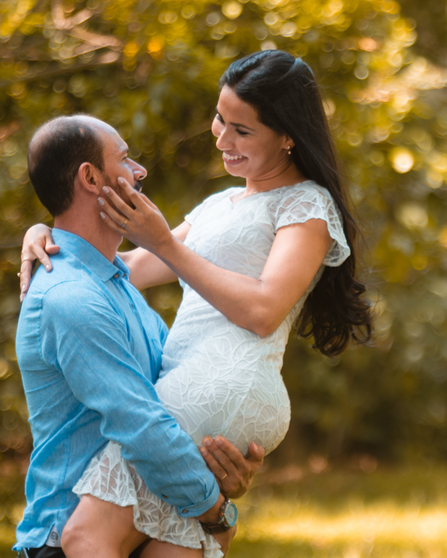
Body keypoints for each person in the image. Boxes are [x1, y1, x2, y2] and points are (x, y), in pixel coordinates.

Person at [20, 50, 372, 558]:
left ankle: (214, 519)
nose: (223, 139)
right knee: (173, 542)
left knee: (86, 536)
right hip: (195, 376)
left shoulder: (306, 204)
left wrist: (167, 244)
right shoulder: (220, 204)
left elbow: (265, 308)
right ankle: (213, 523)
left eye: (243, 131)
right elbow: (125, 269)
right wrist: (44, 231)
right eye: (220, 120)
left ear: (288, 134)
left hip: (227, 375)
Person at [15, 114, 264, 558]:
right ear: (90, 178)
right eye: (126, 159)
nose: (139, 171)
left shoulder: (116, 285)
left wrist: (223, 463)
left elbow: (170, 398)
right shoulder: (71, 296)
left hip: (142, 523)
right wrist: (216, 509)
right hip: (70, 538)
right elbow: (140, 423)